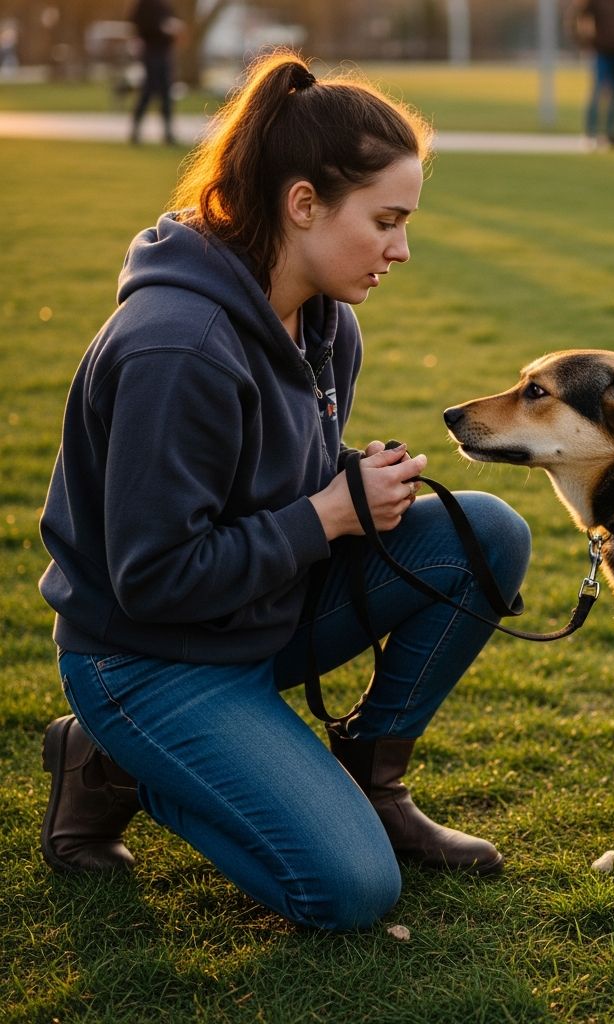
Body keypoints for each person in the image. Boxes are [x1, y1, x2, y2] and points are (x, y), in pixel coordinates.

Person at [37, 51, 532, 933]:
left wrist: (352, 482)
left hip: (257, 615)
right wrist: (327, 514)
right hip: (146, 658)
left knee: (484, 533)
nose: (401, 249)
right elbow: (154, 578)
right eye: (385, 221)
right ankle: (111, 763)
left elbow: (267, 477)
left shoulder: (326, 321)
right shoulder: (177, 348)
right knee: (350, 891)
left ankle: (372, 786)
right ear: (303, 203)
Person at [566, 0, 614, 150]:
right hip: (601, 50)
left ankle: (611, 133)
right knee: (598, 91)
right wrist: (583, 40)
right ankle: (591, 133)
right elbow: (576, 15)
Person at [129, 0, 182, 144]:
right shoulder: (144, 4)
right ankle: (136, 130)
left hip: (165, 52)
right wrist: (159, 28)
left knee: (166, 93)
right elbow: (138, 24)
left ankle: (168, 132)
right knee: (148, 90)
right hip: (151, 51)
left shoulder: (165, 5)